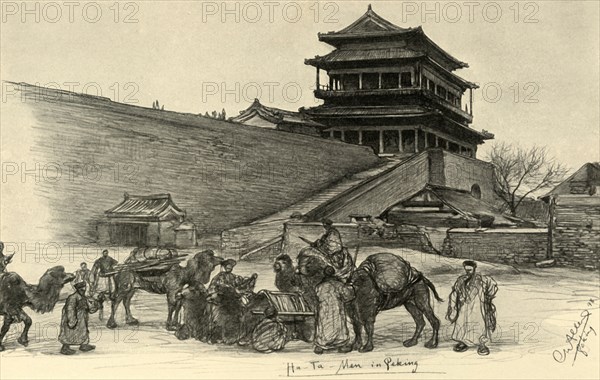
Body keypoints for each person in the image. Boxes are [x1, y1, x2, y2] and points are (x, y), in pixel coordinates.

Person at [446, 260, 498, 356]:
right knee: (462, 323)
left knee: (479, 323)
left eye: (470, 270)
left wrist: (487, 298)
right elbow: (455, 292)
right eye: (466, 270)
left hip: (478, 307)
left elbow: (493, 287)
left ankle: (482, 344)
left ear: (474, 269)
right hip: (464, 307)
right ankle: (463, 342)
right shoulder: (461, 279)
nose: (468, 272)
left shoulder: (483, 279)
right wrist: (453, 306)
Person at [314, 266, 355, 354]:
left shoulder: (319, 286)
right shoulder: (339, 285)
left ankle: (321, 346)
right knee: (338, 326)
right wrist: (349, 287)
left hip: (324, 310)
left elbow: (317, 296)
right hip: (336, 309)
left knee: (324, 327)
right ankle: (340, 344)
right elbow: (348, 296)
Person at [58, 281, 101, 355]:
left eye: (84, 289)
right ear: (78, 289)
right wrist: (71, 320)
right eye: (81, 289)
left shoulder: (83, 297)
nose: (83, 291)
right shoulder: (72, 297)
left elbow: (88, 307)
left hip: (82, 318)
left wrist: (95, 306)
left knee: (83, 331)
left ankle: (84, 345)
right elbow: (70, 309)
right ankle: (65, 348)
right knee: (69, 332)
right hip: (73, 317)